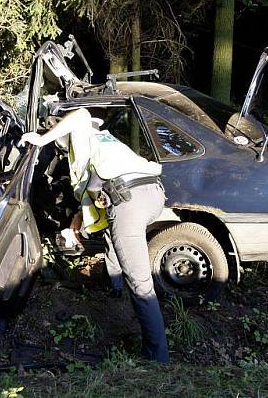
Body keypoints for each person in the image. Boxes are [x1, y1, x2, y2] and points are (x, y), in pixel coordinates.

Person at [20, 107, 170, 363]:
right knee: (115, 236)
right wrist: (79, 221)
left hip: (128, 201)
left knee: (141, 282)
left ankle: (157, 358)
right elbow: (97, 195)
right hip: (150, 194)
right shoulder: (105, 141)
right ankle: (115, 287)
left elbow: (80, 114)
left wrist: (40, 138)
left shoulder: (82, 134)